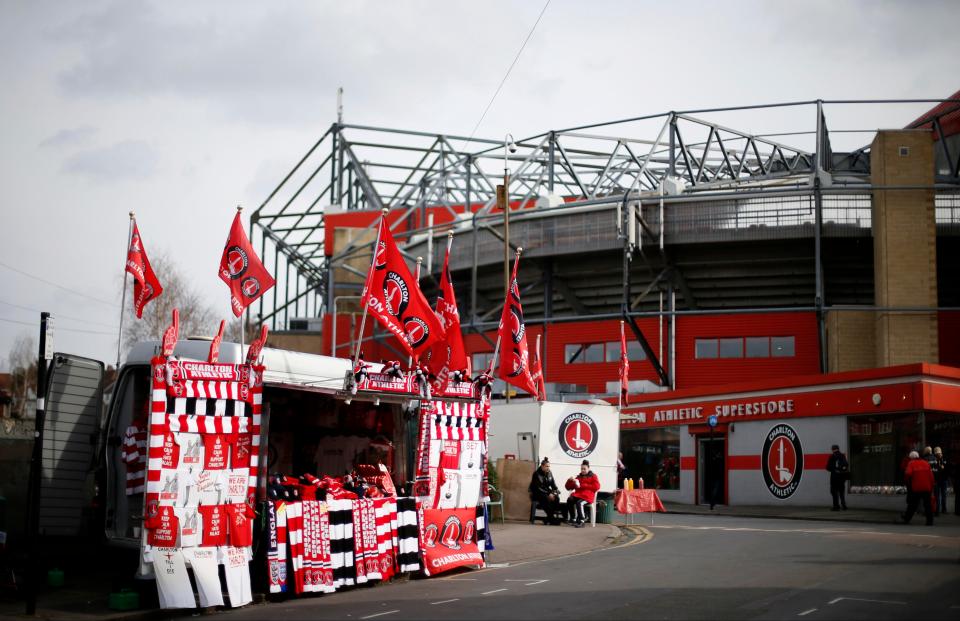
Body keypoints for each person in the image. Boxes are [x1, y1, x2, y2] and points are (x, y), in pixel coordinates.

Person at [901, 450, 935, 526]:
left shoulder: (911, 463)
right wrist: (931, 486)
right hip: (927, 488)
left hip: (916, 487)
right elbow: (931, 477)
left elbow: (907, 474)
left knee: (912, 505)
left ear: (911, 458)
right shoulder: (926, 463)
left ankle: (907, 519)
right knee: (928, 505)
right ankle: (930, 521)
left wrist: (908, 483)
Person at [565, 460, 601, 528]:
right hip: (578, 495)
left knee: (579, 503)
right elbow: (568, 487)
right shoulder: (578, 477)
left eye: (584, 469)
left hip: (587, 496)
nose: (583, 470)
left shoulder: (593, 476)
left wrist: (583, 485)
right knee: (569, 500)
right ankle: (573, 519)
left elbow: (597, 487)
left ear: (588, 468)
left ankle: (582, 521)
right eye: (582, 469)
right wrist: (569, 481)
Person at [528, 457, 562, 525]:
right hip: (536, 493)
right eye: (546, 466)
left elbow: (553, 484)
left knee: (557, 498)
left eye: (549, 466)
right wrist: (549, 494)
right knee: (546, 499)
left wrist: (556, 490)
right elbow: (538, 488)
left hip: (546, 491)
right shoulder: (536, 474)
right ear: (542, 466)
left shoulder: (549, 472)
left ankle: (548, 518)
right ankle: (551, 519)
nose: (548, 468)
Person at [825, 444, 849, 511]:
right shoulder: (842, 456)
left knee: (834, 492)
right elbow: (846, 465)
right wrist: (841, 470)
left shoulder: (832, 457)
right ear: (838, 449)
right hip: (841, 477)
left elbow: (827, 467)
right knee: (841, 492)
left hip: (834, 478)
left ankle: (836, 506)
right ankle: (844, 505)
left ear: (832, 449)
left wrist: (834, 469)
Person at [932, 447, 948, 516]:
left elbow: (947, 469)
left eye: (939, 453)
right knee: (939, 495)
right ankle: (939, 509)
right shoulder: (936, 460)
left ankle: (941, 509)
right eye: (938, 453)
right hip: (940, 480)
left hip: (941, 480)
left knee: (941, 495)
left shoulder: (943, 460)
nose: (939, 454)